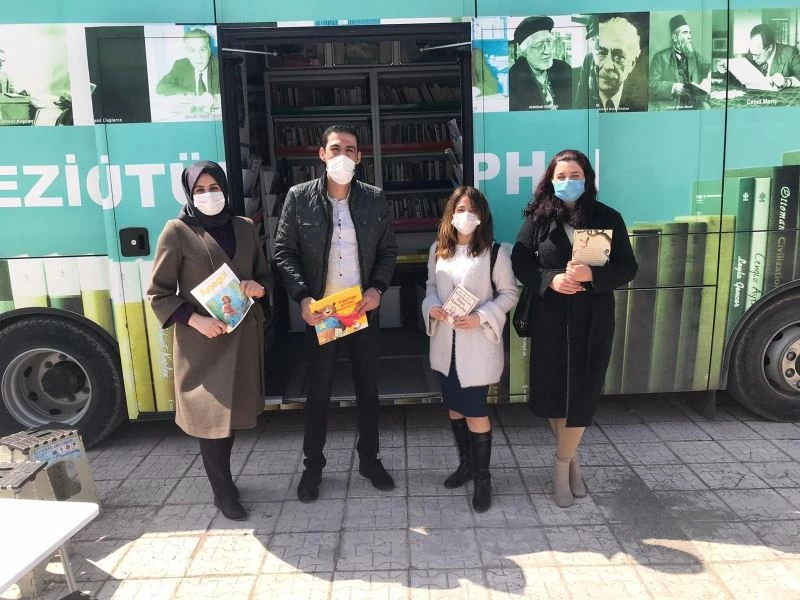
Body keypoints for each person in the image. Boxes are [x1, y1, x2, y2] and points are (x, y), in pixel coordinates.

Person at [274, 124, 398, 502]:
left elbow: (388, 250)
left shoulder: (374, 199)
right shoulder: (299, 198)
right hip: (323, 312)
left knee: (368, 390)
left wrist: (377, 289)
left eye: (349, 149)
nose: (342, 155)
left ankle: (370, 460)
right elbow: (284, 252)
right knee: (318, 392)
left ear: (359, 157)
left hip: (361, 309)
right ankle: (313, 467)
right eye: (335, 148)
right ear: (322, 154)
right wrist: (302, 297)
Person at [511, 149, 637, 507]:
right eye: (561, 176)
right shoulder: (537, 218)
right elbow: (520, 260)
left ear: (587, 179)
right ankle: (572, 460)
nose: (568, 181)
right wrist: (550, 279)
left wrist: (593, 276)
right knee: (554, 393)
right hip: (550, 319)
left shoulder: (607, 217)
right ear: (551, 180)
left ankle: (560, 464)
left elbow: (628, 267)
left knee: (582, 393)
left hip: (593, 321)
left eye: (575, 175)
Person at [147, 160, 269, 521]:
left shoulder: (244, 227)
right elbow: (158, 293)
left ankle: (225, 482)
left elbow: (264, 275)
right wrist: (194, 319)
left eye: (214, 188)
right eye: (200, 190)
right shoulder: (177, 231)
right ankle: (222, 491)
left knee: (228, 417)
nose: (208, 195)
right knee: (209, 418)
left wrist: (258, 287)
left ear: (225, 190)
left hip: (240, 337)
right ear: (189, 193)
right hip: (203, 341)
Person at [422, 186, 519, 513]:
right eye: (460, 209)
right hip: (445, 345)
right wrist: (432, 308)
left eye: (472, 210)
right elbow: (431, 288)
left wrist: (480, 317)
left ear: (482, 216)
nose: (466, 215)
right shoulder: (438, 249)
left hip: (475, 346)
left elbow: (509, 294)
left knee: (476, 411)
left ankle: (482, 478)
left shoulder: (495, 252)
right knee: (455, 408)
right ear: (450, 214)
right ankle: (465, 464)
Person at [509, 16, 572, 111]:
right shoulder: (513, 81)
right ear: (524, 51)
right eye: (539, 45)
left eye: (549, 42)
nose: (547, 51)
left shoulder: (564, 69)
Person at [649, 15, 712, 110]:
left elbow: (708, 67)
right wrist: (673, 87)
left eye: (690, 33)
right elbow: (651, 85)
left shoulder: (694, 56)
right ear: (675, 37)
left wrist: (712, 74)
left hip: (693, 105)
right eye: (685, 33)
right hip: (672, 107)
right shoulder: (660, 57)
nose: (689, 36)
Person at [595, 17, 645, 112]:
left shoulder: (639, 104)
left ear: (632, 64)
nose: (608, 66)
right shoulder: (582, 99)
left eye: (618, 57)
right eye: (601, 53)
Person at [156, 29, 220, 96]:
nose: (198, 56)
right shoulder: (180, 66)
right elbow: (161, 87)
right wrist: (190, 94)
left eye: (202, 50)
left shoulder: (220, 65)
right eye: (193, 51)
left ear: (209, 51)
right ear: (187, 53)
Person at [573, 16, 600, 109]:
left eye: (601, 38)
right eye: (593, 39)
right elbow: (581, 96)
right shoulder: (588, 58)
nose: (597, 46)